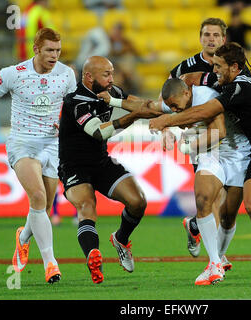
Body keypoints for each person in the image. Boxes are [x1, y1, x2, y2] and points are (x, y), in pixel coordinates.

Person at [149, 42, 251, 286]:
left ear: (234, 67)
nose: (213, 70)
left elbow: (204, 111)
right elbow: (190, 77)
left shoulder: (241, 87)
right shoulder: (227, 82)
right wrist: (179, 80)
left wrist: (168, 121)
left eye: (218, 66)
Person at [0, 28, 77, 284]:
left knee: (41, 205)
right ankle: (50, 264)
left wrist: (67, 126)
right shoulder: (13, 74)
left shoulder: (67, 74)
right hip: (22, 143)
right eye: (50, 50)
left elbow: (74, 108)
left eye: (58, 51)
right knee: (39, 197)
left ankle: (22, 237)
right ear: (36, 49)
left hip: (53, 145)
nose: (55, 56)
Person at [58, 56, 161, 284]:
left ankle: (121, 239)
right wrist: (135, 116)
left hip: (102, 163)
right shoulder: (75, 102)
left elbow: (141, 105)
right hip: (74, 166)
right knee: (87, 206)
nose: (111, 79)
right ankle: (93, 257)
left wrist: (166, 110)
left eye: (112, 73)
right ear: (88, 77)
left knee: (138, 202)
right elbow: (99, 132)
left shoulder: (112, 91)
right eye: (106, 74)